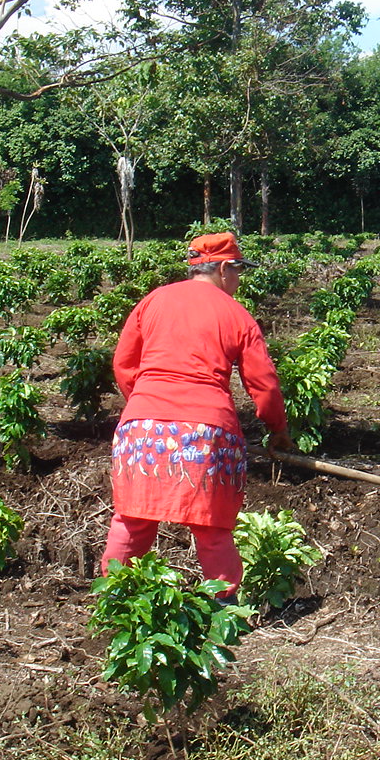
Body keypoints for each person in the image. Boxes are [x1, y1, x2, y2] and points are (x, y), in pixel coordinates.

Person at [102, 231, 296, 596]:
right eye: (238, 271)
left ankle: (115, 598)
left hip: (141, 426)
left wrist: (147, 405)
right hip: (206, 431)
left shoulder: (153, 301)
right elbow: (264, 384)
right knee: (212, 528)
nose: (238, 281)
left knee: (132, 520)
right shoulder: (237, 315)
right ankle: (223, 610)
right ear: (224, 269)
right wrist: (277, 429)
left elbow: (124, 364)